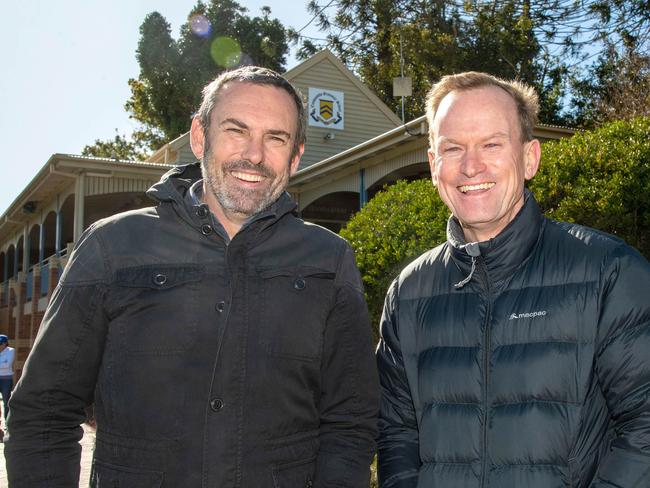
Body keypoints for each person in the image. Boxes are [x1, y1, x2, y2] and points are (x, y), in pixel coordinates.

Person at [5, 66, 380, 487]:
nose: (254, 155)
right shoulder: (112, 246)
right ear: (199, 136)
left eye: (275, 138)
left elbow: (351, 420)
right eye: (236, 130)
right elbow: (44, 411)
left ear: (295, 156)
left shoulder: (329, 260)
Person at [376, 71, 650, 487]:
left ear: (530, 158)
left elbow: (644, 428)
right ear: (433, 165)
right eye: (452, 148)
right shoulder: (409, 293)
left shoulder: (609, 271)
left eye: (491, 144)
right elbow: (397, 433)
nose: (471, 166)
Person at [0, 335, 15, 426]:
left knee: (6, 402)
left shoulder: (11, 350)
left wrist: (4, 364)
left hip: (6, 380)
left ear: (5, 343)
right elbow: (4, 364)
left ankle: (7, 422)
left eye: (0, 344)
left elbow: (8, 365)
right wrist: (3, 363)